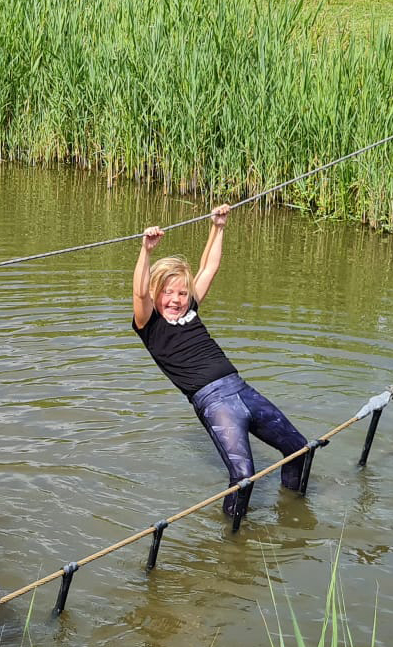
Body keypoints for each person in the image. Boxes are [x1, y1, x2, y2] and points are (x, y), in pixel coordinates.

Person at [132, 205, 312, 527]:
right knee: (244, 477)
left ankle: (294, 513)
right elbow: (139, 291)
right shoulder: (149, 323)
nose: (176, 299)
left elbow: (209, 267)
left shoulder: (191, 310)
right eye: (168, 292)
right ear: (156, 293)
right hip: (214, 402)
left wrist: (218, 226)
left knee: (299, 448)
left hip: (241, 389)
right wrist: (146, 252)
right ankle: (232, 545)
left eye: (182, 293)